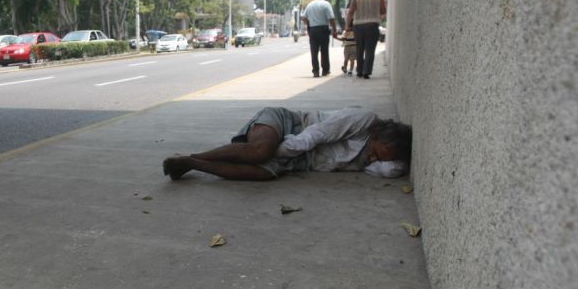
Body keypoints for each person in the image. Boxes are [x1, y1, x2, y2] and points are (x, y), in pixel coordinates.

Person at [162, 106, 412, 181]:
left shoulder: (377, 160)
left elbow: (393, 170)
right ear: (382, 135)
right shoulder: (364, 121)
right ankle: (194, 155)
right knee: (261, 152)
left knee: (262, 174)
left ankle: (192, 163)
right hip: (289, 125)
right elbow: (316, 134)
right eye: (384, 152)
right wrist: (276, 153)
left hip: (298, 159)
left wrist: (378, 158)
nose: (381, 160)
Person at [345, 0, 386, 79]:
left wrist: (347, 26)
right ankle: (366, 72)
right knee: (370, 49)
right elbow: (382, 11)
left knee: (360, 48)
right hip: (373, 25)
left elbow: (350, 12)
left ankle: (359, 70)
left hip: (358, 25)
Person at [300, 0, 337, 77]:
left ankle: (315, 71)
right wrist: (334, 30)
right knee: (324, 51)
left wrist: (309, 24)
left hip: (313, 30)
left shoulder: (310, 4)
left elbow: (303, 17)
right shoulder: (326, 4)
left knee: (314, 51)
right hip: (323, 29)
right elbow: (331, 18)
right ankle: (325, 70)